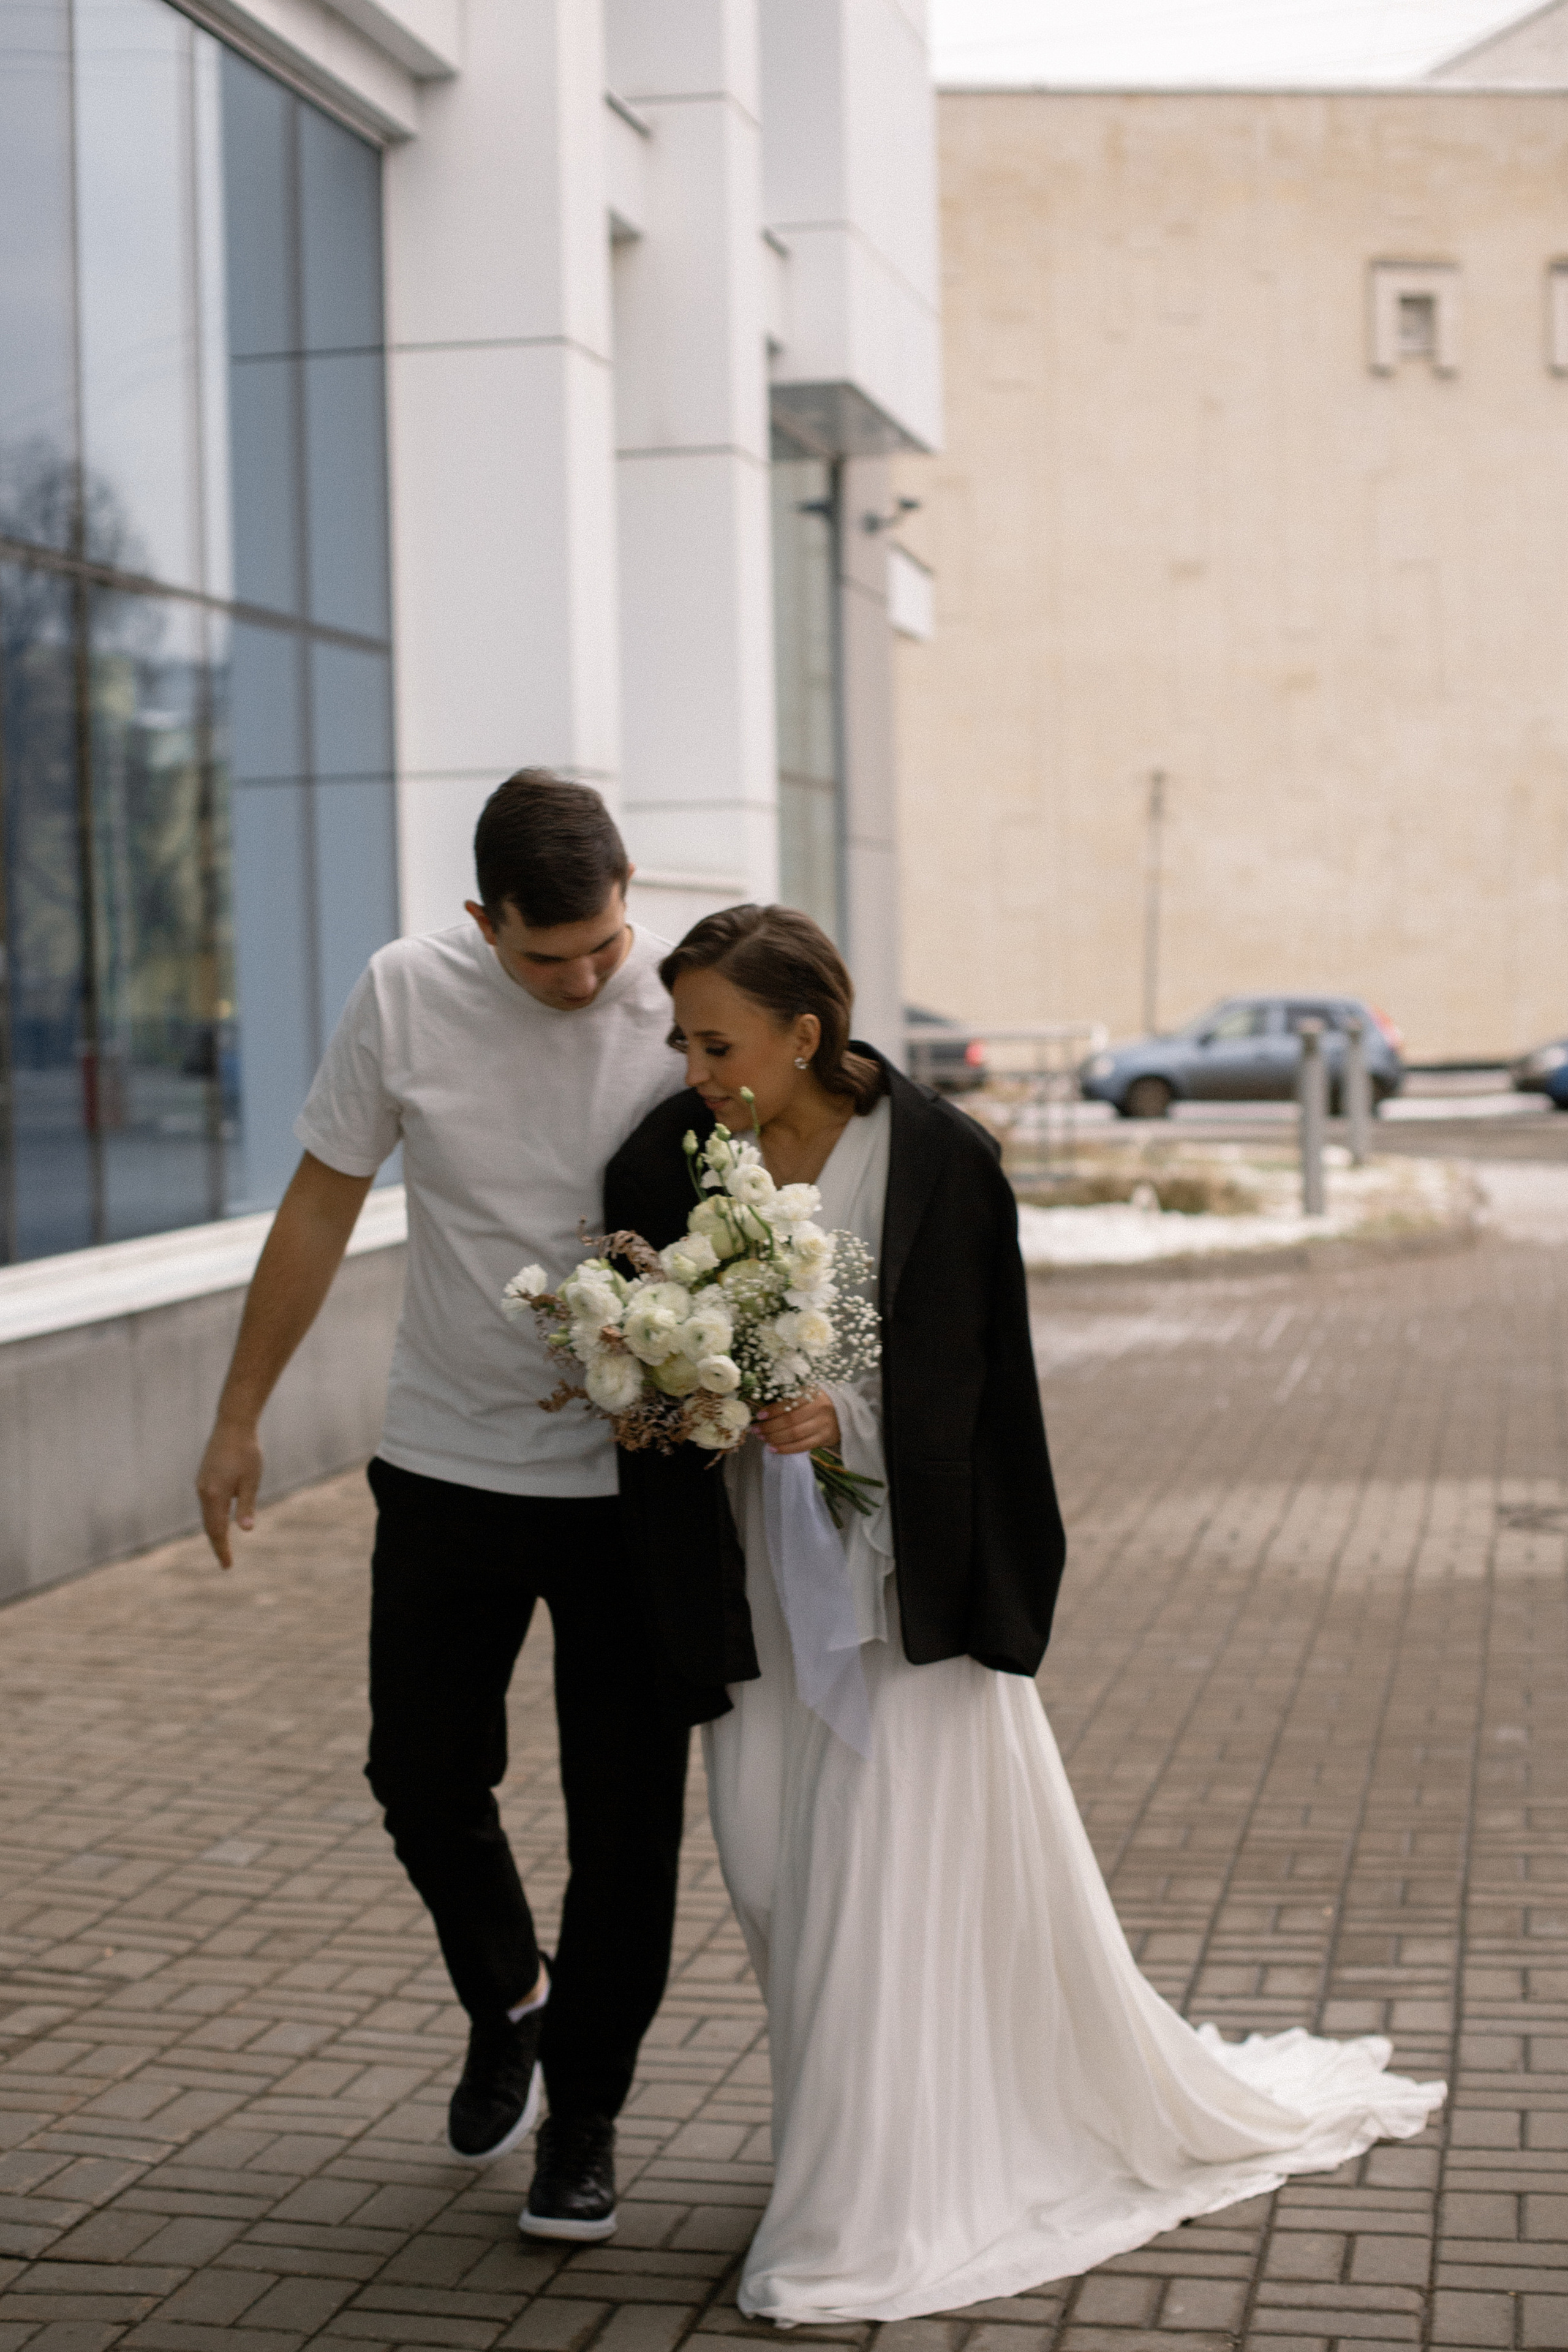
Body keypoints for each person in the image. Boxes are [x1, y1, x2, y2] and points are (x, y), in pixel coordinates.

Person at [604, 903, 1446, 2327]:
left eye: (717, 1041)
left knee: (869, 1878)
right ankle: (854, 2142)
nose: (691, 1067)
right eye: (681, 1038)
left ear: (805, 1035)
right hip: (747, 1572)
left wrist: (841, 1419)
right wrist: (677, 1387)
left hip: (902, 1580)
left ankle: (867, 2197)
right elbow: (637, 1330)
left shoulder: (936, 1161)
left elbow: (977, 1384)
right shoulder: (669, 1155)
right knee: (767, 1872)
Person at [195, 772, 689, 2243]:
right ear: (482, 923)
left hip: (633, 1489)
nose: (584, 979)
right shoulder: (405, 994)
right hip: (447, 1465)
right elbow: (318, 1203)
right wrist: (236, 1418)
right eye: (547, 958)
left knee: (627, 1827)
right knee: (418, 1775)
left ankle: (583, 2121)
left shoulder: (680, 992)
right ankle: (510, 1995)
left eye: (603, 945)